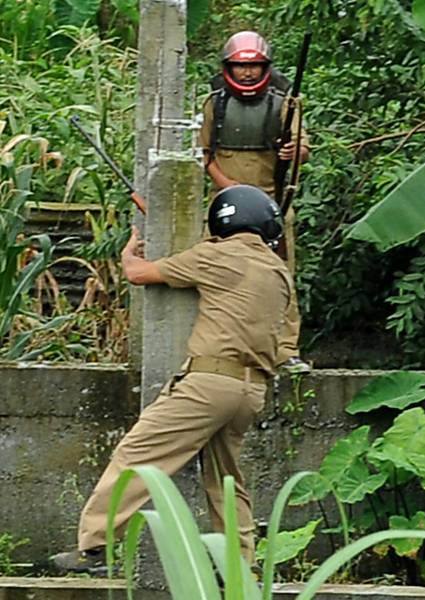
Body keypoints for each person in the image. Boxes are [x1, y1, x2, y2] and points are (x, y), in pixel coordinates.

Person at [51, 185, 294, 573]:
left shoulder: (214, 255)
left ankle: (96, 546)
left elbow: (139, 273)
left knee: (138, 455)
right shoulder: (278, 271)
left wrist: (131, 251)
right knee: (226, 479)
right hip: (251, 390)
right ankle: (241, 565)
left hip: (208, 384)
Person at [198, 30, 311, 374]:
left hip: (272, 205)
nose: (248, 74)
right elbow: (203, 155)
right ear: (228, 68)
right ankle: (218, 350)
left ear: (266, 68)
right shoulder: (214, 103)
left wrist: (295, 152)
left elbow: (302, 149)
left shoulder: (286, 103)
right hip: (225, 206)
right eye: (240, 67)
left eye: (255, 67)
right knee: (215, 275)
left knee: (280, 277)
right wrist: (227, 185)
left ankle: (285, 351)